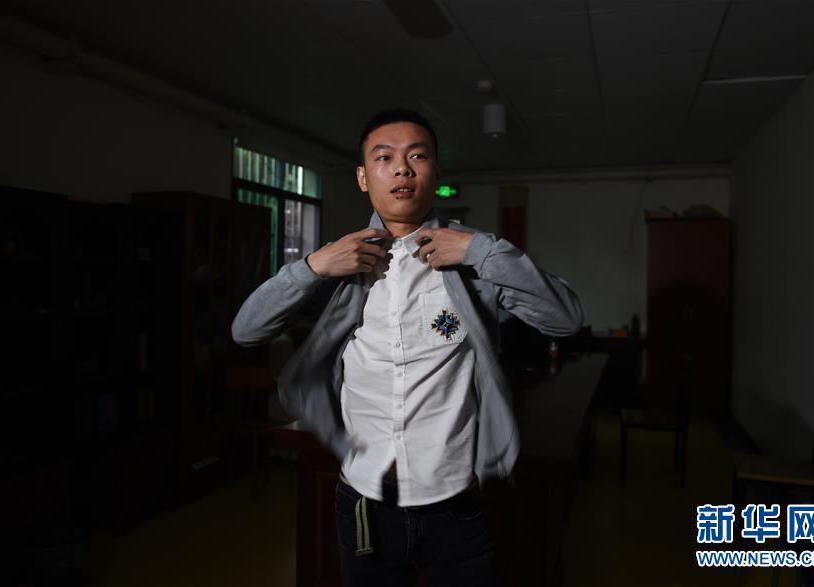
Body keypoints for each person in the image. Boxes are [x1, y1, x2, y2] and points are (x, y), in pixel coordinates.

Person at [231, 108, 583, 586]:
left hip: (455, 506)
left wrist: (481, 250)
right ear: (363, 177)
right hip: (363, 501)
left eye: (417, 156)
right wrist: (311, 267)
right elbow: (246, 331)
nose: (401, 169)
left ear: (436, 172)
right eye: (384, 158)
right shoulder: (339, 264)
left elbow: (566, 319)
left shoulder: (473, 259)